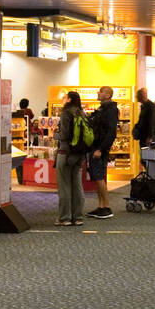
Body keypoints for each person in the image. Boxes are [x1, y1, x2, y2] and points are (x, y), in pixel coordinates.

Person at [54, 90, 88, 226]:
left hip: (66, 152)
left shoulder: (66, 113)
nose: (63, 99)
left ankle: (65, 218)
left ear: (69, 100)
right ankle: (78, 216)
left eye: (65, 97)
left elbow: (65, 135)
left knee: (64, 186)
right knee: (77, 185)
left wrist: (55, 135)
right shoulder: (82, 113)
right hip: (80, 154)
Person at [86, 86, 119, 219]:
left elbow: (111, 132)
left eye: (101, 91)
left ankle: (106, 207)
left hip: (100, 148)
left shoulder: (111, 110)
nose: (98, 93)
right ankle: (100, 206)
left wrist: (101, 149)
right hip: (95, 146)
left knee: (99, 177)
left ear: (108, 95)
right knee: (96, 176)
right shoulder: (102, 109)